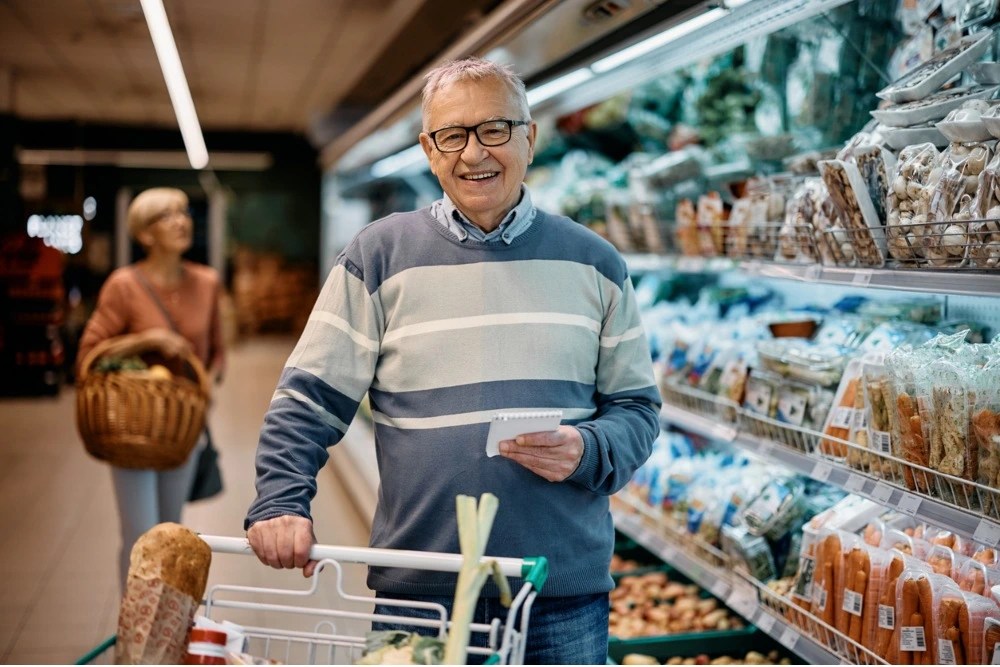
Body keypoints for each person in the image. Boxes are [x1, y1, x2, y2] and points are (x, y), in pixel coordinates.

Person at [245, 58, 660, 664]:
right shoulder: (378, 257)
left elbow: (637, 410)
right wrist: (281, 500)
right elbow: (308, 399)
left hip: (559, 593)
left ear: (529, 137)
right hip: (422, 590)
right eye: (452, 135)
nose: (474, 153)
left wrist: (588, 448)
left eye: (495, 129)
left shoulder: (596, 263)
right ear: (428, 149)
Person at [77, 187, 225, 588]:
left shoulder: (208, 282)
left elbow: (216, 356)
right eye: (166, 216)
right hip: (134, 424)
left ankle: (164, 629)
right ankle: (135, 636)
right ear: (144, 234)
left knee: (170, 532)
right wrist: (148, 341)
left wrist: (201, 400)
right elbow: (89, 354)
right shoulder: (123, 285)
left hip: (181, 427)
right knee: (140, 536)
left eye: (183, 212)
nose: (181, 221)